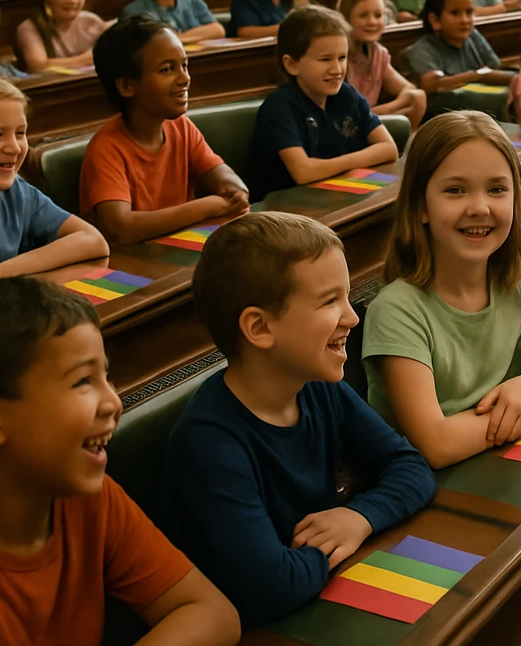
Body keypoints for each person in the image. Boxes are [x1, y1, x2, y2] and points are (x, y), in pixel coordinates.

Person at [161, 214, 435, 626]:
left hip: (319, 598)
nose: (353, 317)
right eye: (329, 301)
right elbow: (272, 585)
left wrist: (359, 518)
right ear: (259, 327)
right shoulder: (209, 443)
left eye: (347, 297)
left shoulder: (315, 385)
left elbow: (410, 467)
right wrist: (336, 543)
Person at [0, 276, 241, 642]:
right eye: (82, 382)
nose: (113, 402)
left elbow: (211, 613)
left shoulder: (84, 494)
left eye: (106, 375)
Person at [362, 111, 521, 467]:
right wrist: (513, 414)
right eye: (455, 190)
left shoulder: (518, 282)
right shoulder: (397, 310)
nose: (479, 207)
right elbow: (436, 445)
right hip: (418, 490)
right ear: (420, 206)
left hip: (486, 463)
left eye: (496, 189)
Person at [80, 16, 249, 243]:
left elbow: (225, 178)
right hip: (135, 266)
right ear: (127, 86)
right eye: (167, 70)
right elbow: (120, 228)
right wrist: (207, 207)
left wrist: (235, 191)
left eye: (184, 65)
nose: (185, 78)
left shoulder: (182, 127)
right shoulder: (107, 148)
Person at [0, 79, 108, 293]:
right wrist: (7, 275)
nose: (14, 147)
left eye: (20, 133)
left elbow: (94, 241)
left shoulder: (18, 192)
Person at [250, 6, 399, 198]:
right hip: (286, 209)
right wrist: (359, 160)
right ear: (292, 65)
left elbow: (389, 149)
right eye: (325, 59)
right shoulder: (279, 107)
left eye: (342, 58)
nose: (337, 69)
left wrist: (332, 166)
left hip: (335, 195)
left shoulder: (346, 94)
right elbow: (304, 172)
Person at [404, 0, 512, 96]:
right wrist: (477, 75)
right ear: (435, 20)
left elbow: (493, 66)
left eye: (469, 12)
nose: (464, 20)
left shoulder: (473, 36)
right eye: (455, 13)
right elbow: (433, 84)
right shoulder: (421, 49)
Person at [341, 0, 426, 129]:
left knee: (419, 97)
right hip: (347, 124)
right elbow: (348, 113)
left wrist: (393, 106)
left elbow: (409, 89)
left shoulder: (377, 53)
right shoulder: (339, 55)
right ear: (346, 20)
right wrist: (392, 108)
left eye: (378, 15)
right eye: (363, 16)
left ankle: (404, 148)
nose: (372, 22)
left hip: (372, 117)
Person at [14, 0, 109, 73]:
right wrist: (89, 58)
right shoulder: (29, 27)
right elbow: (38, 66)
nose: (73, 1)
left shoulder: (92, 21)